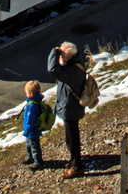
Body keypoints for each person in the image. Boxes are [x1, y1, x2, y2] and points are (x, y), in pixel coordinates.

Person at [47, 41, 89, 177]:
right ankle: (73, 159)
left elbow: (52, 69)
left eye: (62, 54)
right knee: (70, 137)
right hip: (70, 107)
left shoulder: (72, 71)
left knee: (72, 138)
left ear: (69, 56)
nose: (60, 56)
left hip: (70, 108)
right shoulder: (73, 65)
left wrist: (53, 52)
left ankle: (77, 167)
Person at [22, 80, 48, 170]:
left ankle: (38, 162)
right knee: (29, 145)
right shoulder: (35, 102)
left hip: (32, 130)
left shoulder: (32, 106)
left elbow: (30, 120)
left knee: (34, 146)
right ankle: (30, 157)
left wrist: (27, 130)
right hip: (31, 130)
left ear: (31, 94)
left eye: (26, 93)